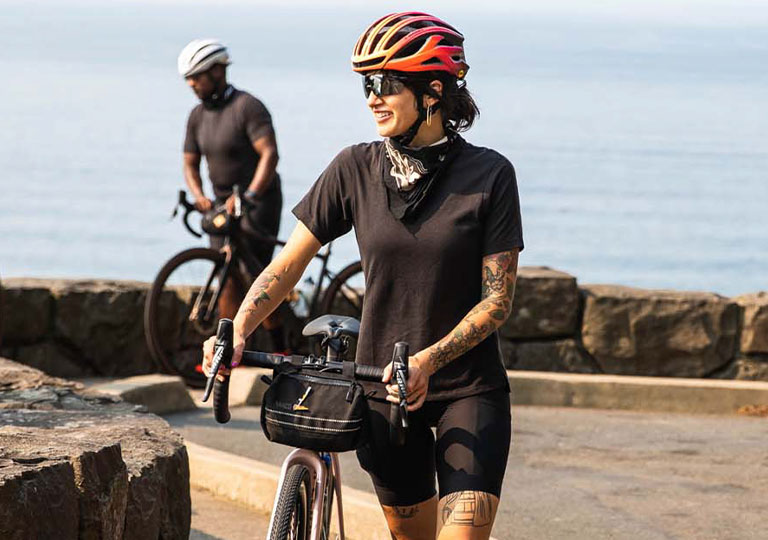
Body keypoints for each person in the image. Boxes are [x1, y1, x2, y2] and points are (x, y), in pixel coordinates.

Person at [203, 12, 523, 540]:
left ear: (433, 91)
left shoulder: (490, 175)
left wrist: (426, 362)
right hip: (381, 391)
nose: (372, 98)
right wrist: (239, 327)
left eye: (386, 84)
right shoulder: (353, 168)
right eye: (366, 85)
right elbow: (288, 265)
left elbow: (497, 301)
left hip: (467, 389)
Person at [178, 39, 288, 351]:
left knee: (258, 278)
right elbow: (189, 162)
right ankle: (227, 351)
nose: (191, 84)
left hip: (258, 202)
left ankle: (281, 346)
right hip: (220, 207)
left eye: (196, 77)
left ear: (216, 71)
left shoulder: (247, 107)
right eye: (188, 78)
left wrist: (251, 194)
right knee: (225, 276)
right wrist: (199, 195)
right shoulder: (197, 116)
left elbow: (269, 154)